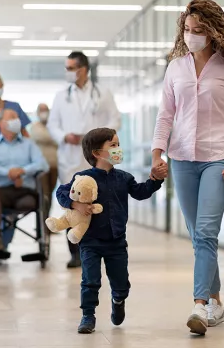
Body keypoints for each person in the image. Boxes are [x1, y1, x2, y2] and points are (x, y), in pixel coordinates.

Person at [151, 0, 224, 336]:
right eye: (188, 31)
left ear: (213, 32)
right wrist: (157, 154)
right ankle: (216, 300)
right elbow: (165, 115)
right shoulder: (175, 68)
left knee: (206, 232)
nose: (192, 36)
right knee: (198, 237)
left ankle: (200, 304)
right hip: (181, 160)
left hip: (218, 159)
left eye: (199, 31)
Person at [55, 128, 164, 334]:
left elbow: (140, 193)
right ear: (97, 153)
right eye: (113, 145)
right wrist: (74, 204)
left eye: (118, 144)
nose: (118, 149)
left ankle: (118, 299)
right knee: (90, 280)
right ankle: (88, 315)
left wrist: (155, 180)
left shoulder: (124, 178)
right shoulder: (83, 178)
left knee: (121, 283)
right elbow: (61, 192)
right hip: (90, 241)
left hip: (116, 241)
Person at [48, 51, 122, 269]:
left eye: (71, 68)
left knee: (98, 202)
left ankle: (97, 248)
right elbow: (53, 124)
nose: (68, 72)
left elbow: (115, 119)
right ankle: (75, 253)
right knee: (72, 204)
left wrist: (97, 138)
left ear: (83, 69)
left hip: (96, 157)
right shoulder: (61, 96)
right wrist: (64, 136)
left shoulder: (103, 93)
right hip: (70, 157)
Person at [0, 109, 49, 252]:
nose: (16, 120)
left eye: (17, 117)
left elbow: (42, 164)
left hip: (25, 193)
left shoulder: (28, 144)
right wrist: (7, 173)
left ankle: (40, 241)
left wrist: (22, 171)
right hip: (0, 193)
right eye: (11, 117)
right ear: (0, 123)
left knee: (35, 201)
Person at [28, 103, 58, 221]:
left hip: (55, 166)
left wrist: (57, 136)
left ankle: (47, 222)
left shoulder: (54, 126)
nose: (44, 113)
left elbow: (59, 138)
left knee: (50, 195)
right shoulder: (35, 127)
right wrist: (56, 137)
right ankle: (42, 223)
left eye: (46, 110)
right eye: (42, 110)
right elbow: (46, 137)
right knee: (43, 195)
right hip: (41, 168)